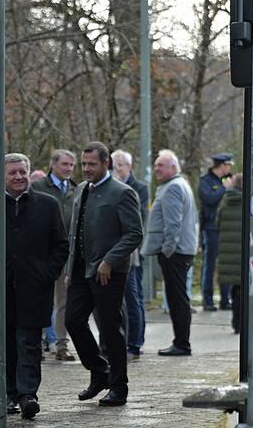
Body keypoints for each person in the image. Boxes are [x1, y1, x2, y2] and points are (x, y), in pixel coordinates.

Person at [0, 153, 68, 419]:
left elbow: (60, 246)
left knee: (29, 344)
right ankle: (9, 394)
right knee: (4, 343)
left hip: (34, 289)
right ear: (2, 175)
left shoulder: (47, 205)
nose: (18, 177)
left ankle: (28, 395)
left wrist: (47, 274)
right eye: (12, 172)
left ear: (29, 172)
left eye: (22, 172)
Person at [65, 142, 142, 407]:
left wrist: (110, 260)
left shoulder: (123, 192)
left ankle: (119, 388)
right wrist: (69, 268)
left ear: (106, 163)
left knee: (110, 329)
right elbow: (74, 231)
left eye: (92, 164)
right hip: (80, 271)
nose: (86, 169)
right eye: (83, 164)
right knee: (73, 321)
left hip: (109, 272)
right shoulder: (80, 190)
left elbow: (134, 233)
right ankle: (100, 372)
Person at [143, 150, 199, 353]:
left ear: (173, 168)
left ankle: (182, 344)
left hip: (175, 253)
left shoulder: (173, 187)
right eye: (156, 165)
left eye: (161, 165)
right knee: (178, 297)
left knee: (177, 298)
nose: (156, 168)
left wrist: (167, 250)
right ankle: (181, 342)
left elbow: (173, 224)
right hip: (181, 251)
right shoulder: (178, 184)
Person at [30, 149, 77, 361]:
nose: (68, 169)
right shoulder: (38, 187)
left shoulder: (76, 189)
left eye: (71, 165)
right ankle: (37, 343)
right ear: (53, 165)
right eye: (65, 164)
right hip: (42, 253)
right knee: (40, 299)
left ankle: (61, 345)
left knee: (64, 300)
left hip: (66, 254)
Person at [111, 149, 148, 359]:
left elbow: (138, 219)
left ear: (129, 167)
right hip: (113, 251)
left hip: (132, 252)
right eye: (114, 166)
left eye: (120, 166)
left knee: (133, 297)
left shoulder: (138, 188)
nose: (117, 170)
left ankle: (135, 342)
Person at [198, 153, 235, 311]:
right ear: (221, 165)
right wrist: (223, 188)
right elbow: (209, 200)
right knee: (210, 265)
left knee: (226, 266)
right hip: (211, 229)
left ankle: (225, 300)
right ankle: (208, 301)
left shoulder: (228, 180)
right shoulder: (205, 181)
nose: (230, 168)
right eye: (228, 165)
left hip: (226, 228)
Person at [217, 186, 244, 334]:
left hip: (227, 252)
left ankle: (236, 322)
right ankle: (242, 323)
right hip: (243, 253)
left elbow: (217, 223)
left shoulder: (224, 202)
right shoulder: (248, 203)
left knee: (235, 289)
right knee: (242, 289)